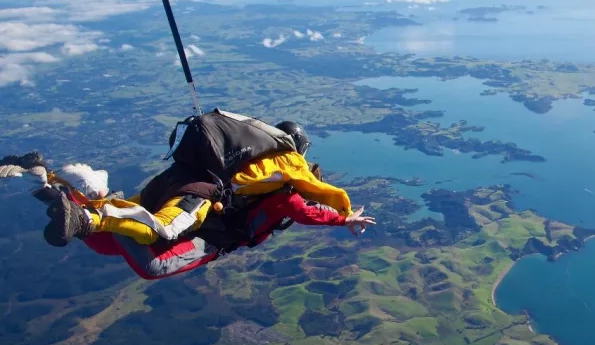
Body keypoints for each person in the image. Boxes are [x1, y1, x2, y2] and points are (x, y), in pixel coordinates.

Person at [1, 152, 375, 280]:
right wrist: (342, 219)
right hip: (205, 235)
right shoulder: (281, 193)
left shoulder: (248, 171)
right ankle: (87, 210)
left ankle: (45, 183)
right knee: (153, 265)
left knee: (105, 243)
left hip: (186, 201)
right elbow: (299, 209)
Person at [36, 111, 369, 249]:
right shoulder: (290, 160)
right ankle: (88, 217)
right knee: (161, 229)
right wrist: (345, 214)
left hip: (174, 176)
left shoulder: (250, 150)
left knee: (132, 207)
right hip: (198, 190)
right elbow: (324, 193)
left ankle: (52, 185)